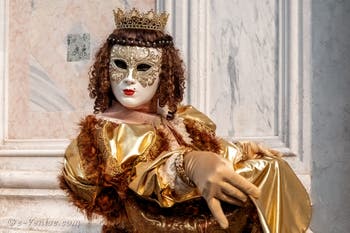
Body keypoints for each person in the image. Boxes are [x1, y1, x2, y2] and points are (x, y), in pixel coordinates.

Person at [59, 8, 311, 233]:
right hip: (155, 223)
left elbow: (213, 151)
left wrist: (241, 152)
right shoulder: (102, 135)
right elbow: (141, 178)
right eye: (120, 65)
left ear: (164, 73)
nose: (129, 78)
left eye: (144, 67)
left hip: (201, 216)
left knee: (271, 168)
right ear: (106, 68)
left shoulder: (177, 121)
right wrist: (188, 165)